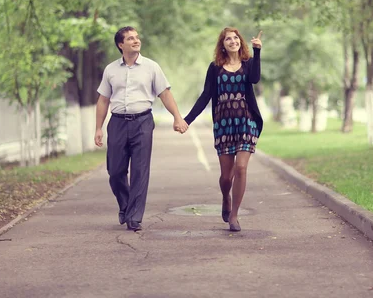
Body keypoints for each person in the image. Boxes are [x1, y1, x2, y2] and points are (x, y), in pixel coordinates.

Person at [94, 26, 188, 232]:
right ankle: (126, 205)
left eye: (137, 37)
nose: (136, 41)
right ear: (121, 45)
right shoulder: (111, 70)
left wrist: (177, 117)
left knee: (139, 170)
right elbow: (103, 100)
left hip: (143, 122)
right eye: (130, 38)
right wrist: (98, 128)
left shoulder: (151, 67)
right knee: (115, 171)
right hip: (117, 123)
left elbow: (165, 94)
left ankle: (134, 216)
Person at [183, 27, 263, 232]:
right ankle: (225, 197)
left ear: (240, 42)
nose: (233, 41)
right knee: (226, 176)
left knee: (241, 168)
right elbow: (205, 96)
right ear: (223, 44)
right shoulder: (215, 67)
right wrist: (187, 120)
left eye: (236, 38)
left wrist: (257, 51)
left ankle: (234, 215)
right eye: (228, 39)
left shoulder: (248, 64)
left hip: (246, 122)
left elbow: (254, 79)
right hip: (224, 124)